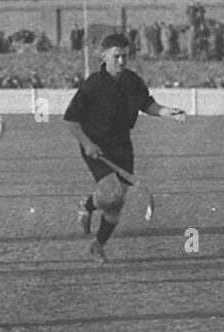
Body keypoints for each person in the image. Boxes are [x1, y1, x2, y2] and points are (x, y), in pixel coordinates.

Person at [64, 34, 186, 264]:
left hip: (122, 146)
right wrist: (87, 143)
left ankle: (98, 244)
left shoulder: (132, 80)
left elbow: (147, 104)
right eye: (116, 56)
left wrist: (167, 112)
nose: (121, 61)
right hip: (96, 146)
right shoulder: (93, 85)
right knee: (113, 194)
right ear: (104, 56)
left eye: (124, 56)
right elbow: (71, 119)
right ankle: (87, 205)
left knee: (115, 204)